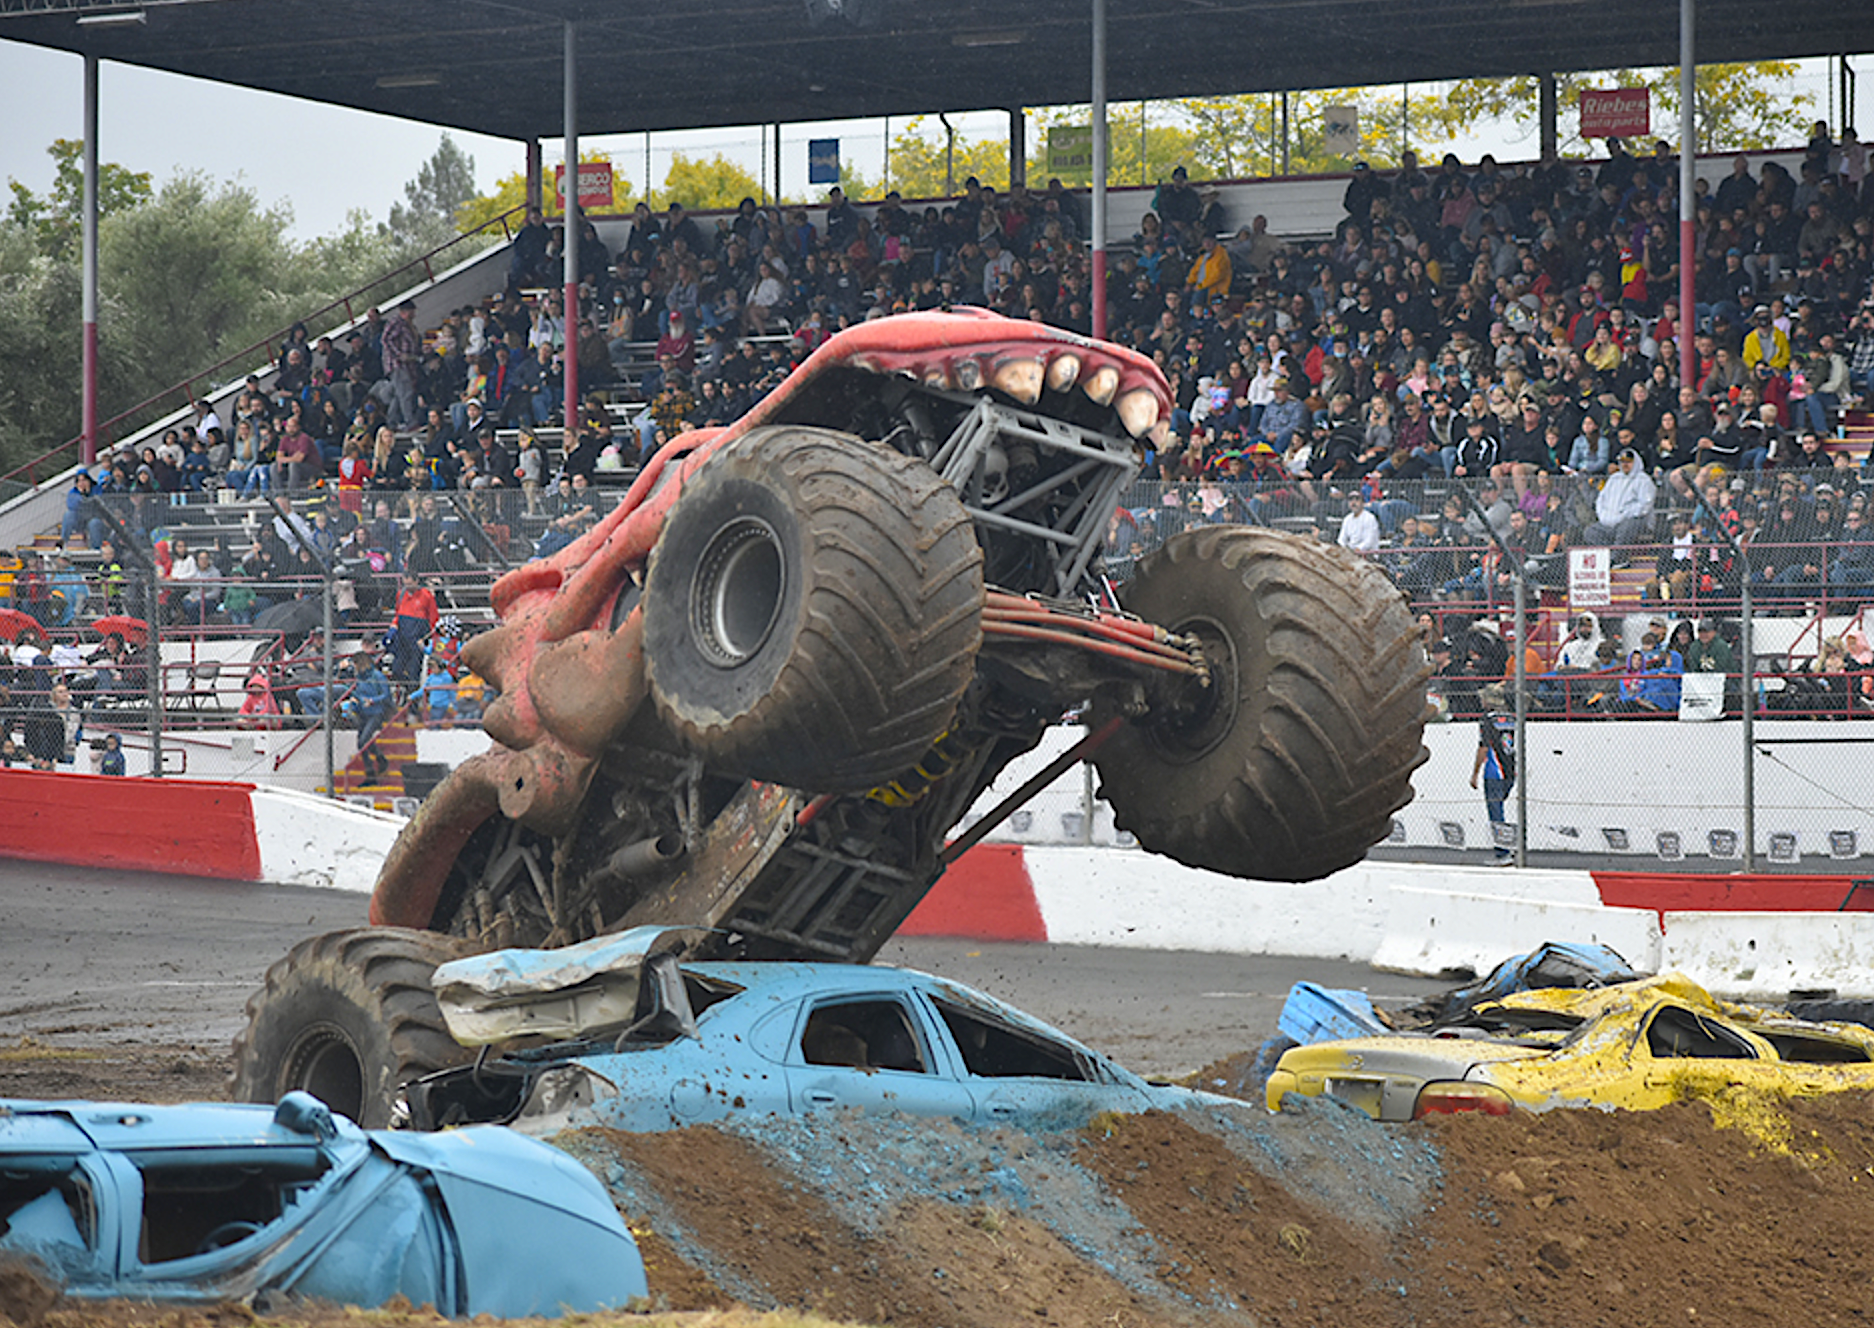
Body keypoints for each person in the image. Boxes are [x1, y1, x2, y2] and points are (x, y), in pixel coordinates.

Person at [1470, 710, 1516, 865]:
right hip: (1510, 770)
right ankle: (1509, 846)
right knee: (1499, 810)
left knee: (1495, 813)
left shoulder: (1487, 719)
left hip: (1494, 772)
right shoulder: (1511, 717)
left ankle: (1503, 852)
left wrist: (1475, 773)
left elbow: (1483, 748)